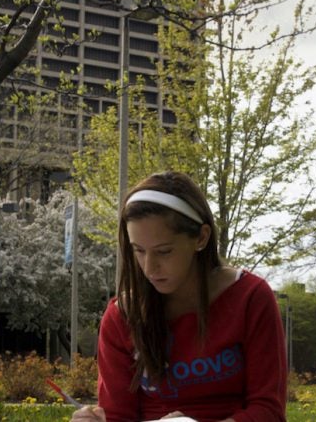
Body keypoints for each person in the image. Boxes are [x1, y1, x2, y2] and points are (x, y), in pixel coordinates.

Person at [72, 171, 287, 422]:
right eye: (138, 251)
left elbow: (268, 410)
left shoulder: (250, 298)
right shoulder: (123, 315)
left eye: (164, 252)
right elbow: (119, 414)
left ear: (201, 237)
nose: (149, 268)